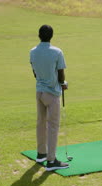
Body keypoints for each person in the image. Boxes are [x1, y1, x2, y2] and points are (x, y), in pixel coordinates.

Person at [30, 24, 69, 171]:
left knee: (41, 123)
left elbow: (35, 73)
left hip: (39, 92)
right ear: (51, 36)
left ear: (39, 35)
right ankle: (51, 161)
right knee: (53, 126)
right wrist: (63, 84)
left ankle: (41, 154)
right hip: (52, 94)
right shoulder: (57, 52)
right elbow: (61, 74)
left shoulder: (32, 52)